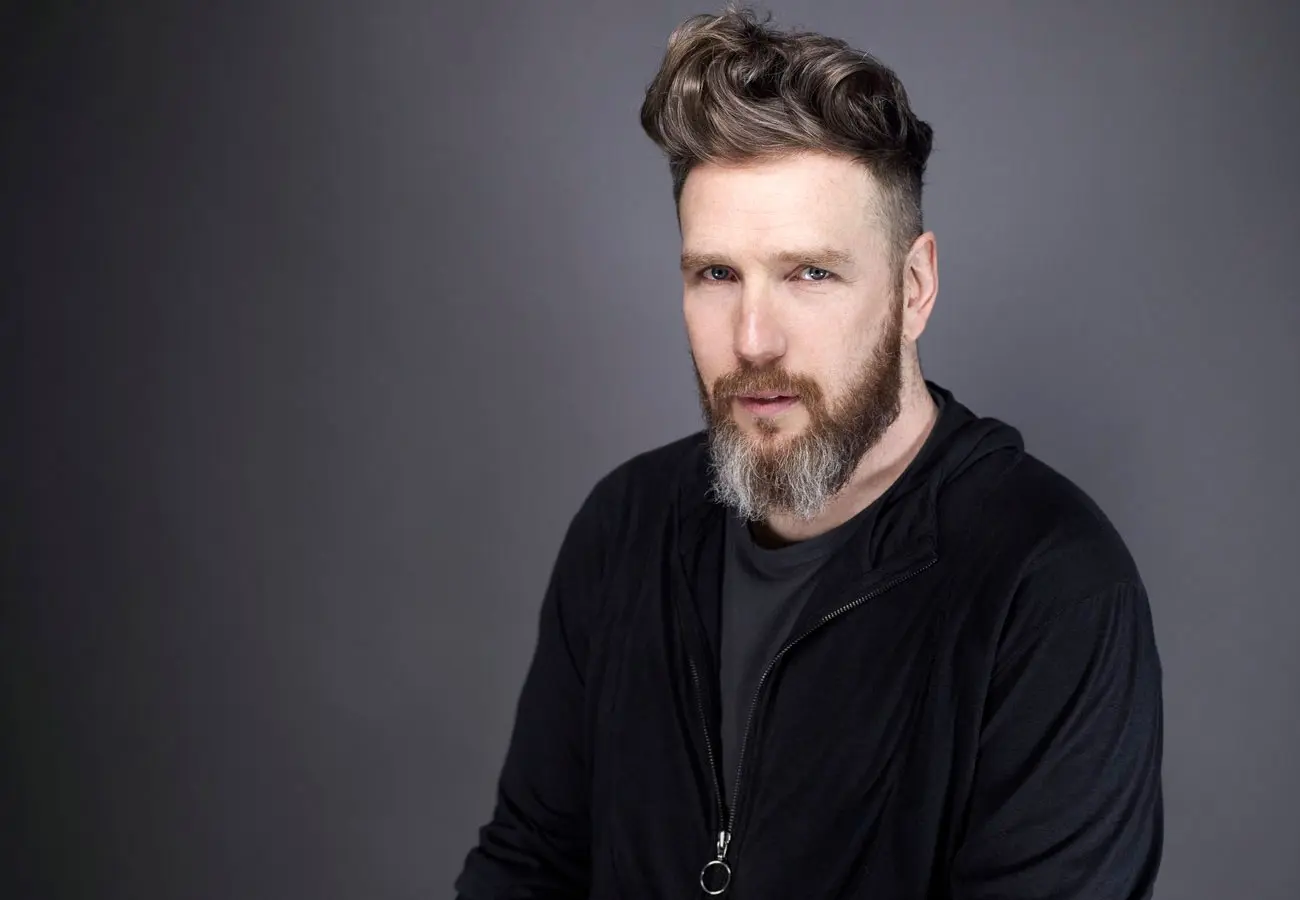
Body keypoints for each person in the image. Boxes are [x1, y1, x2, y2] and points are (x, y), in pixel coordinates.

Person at [455, 7, 1163, 898]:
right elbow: (527, 868)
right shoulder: (625, 528)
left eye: (810, 273)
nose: (753, 339)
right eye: (717, 274)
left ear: (913, 287)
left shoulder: (1051, 587)